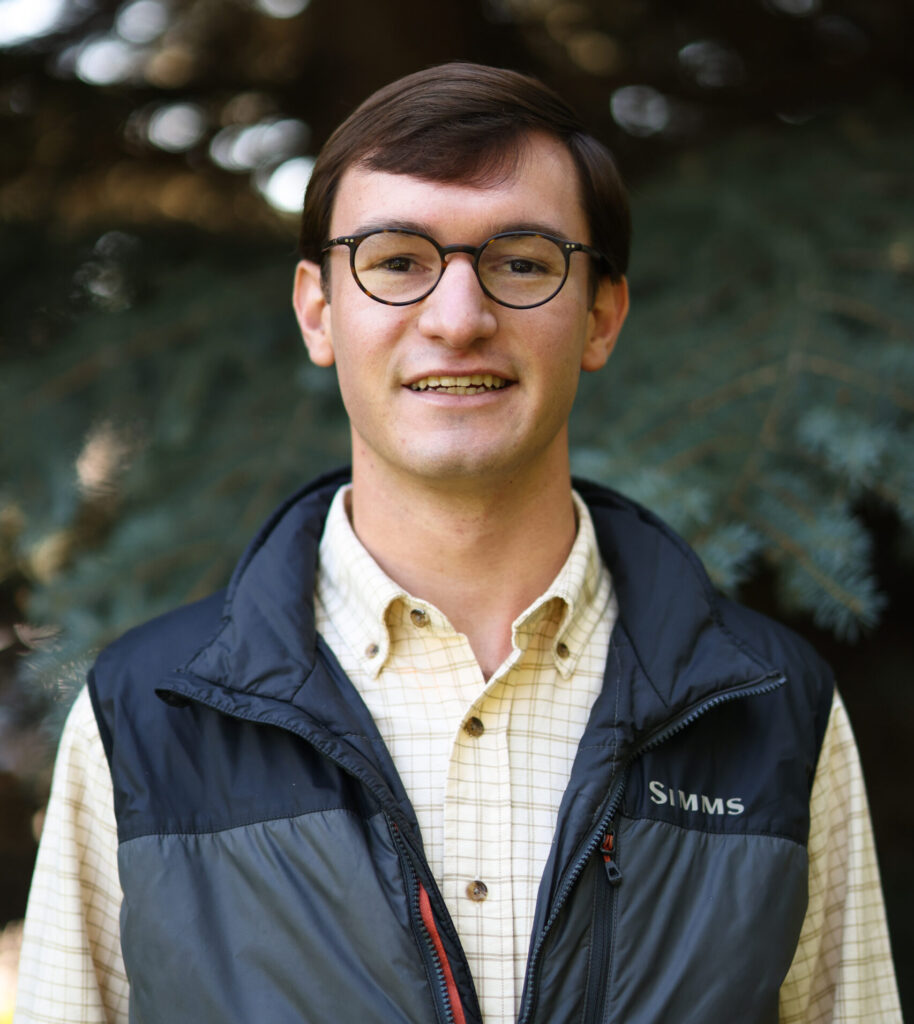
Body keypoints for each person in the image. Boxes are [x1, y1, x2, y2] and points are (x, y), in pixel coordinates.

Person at [15, 63, 901, 1024]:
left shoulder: (773, 708)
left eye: (521, 262)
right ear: (318, 310)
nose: (458, 319)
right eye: (397, 261)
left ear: (601, 315)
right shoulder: (143, 718)